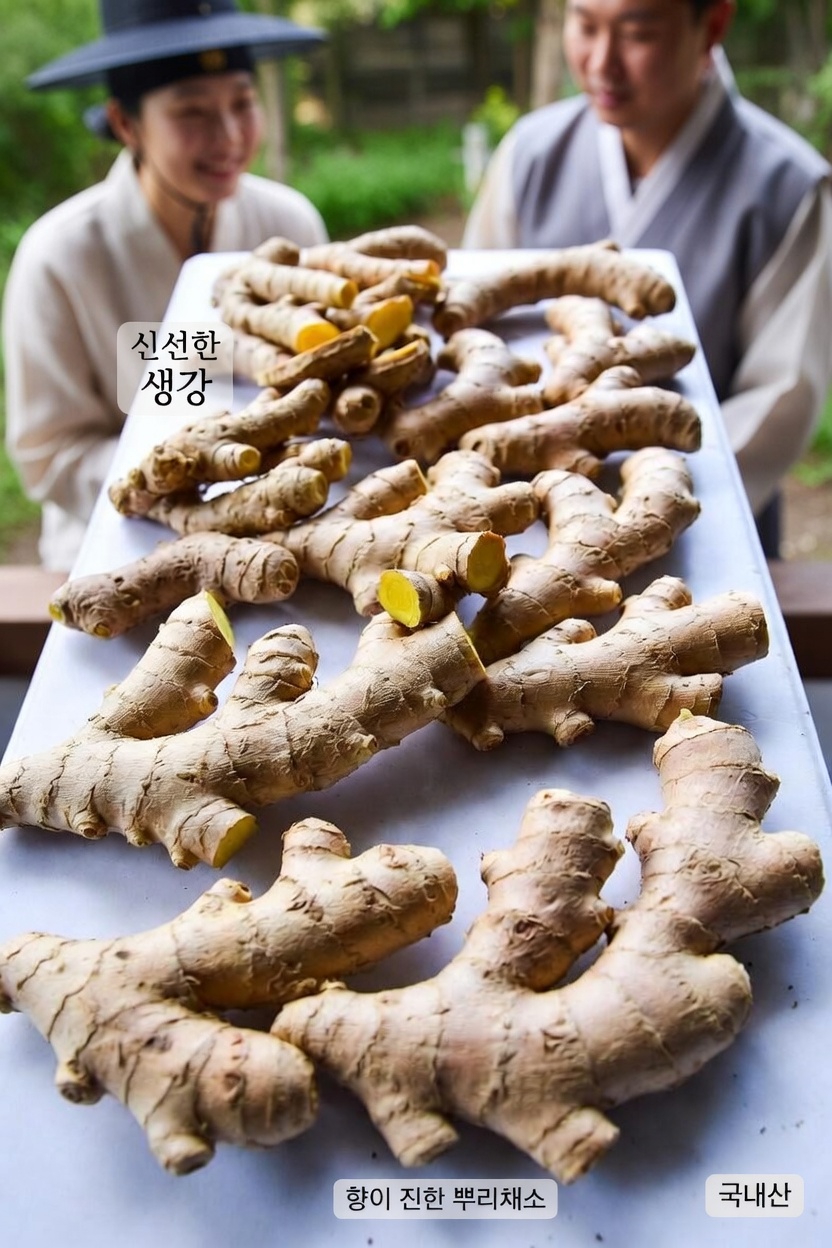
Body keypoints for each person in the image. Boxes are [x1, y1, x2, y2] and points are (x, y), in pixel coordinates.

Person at [463, 0, 832, 554]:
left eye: (638, 34)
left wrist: (646, 492)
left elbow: (780, 399)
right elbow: (472, 328)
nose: (601, 63)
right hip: (524, 522)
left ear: (712, 24)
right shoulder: (531, 155)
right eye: (585, 26)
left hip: (697, 525)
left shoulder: (786, 188)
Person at [3, 0, 329, 571]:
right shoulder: (61, 257)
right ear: (127, 124)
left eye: (242, 103)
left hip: (279, 530)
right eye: (193, 113)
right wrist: (199, 485)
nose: (229, 135)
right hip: (120, 547)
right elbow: (49, 453)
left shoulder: (289, 225)